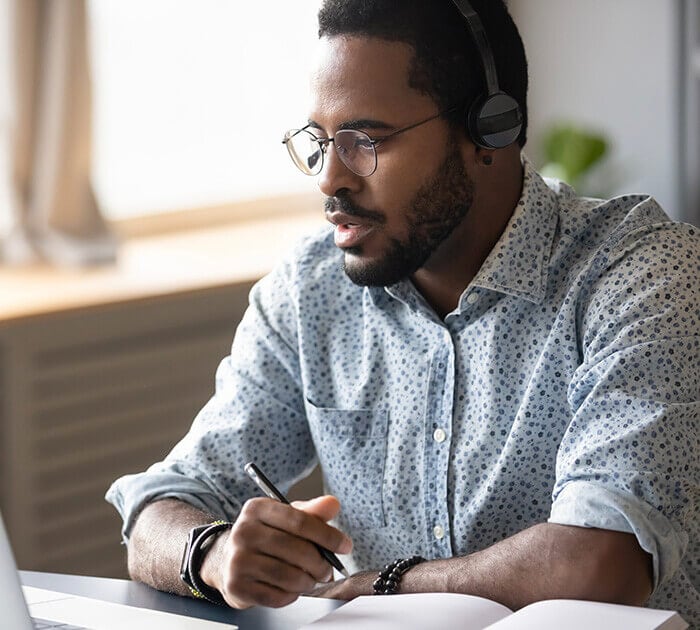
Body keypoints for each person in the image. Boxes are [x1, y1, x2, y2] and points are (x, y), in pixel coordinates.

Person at [106, 0, 699, 624]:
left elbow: (599, 566)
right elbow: (160, 505)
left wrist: (388, 585)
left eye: (366, 141)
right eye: (320, 141)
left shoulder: (645, 278)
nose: (330, 178)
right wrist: (218, 553)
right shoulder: (311, 293)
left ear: (488, 131)